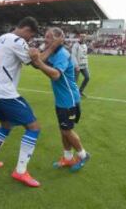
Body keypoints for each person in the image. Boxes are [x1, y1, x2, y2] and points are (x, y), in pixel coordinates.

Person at [0, 17, 61, 188]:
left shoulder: (2, 38)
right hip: (5, 94)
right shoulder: (17, 40)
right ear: (26, 29)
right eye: (30, 36)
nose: (29, 40)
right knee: (34, 127)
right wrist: (53, 46)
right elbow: (37, 63)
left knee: (6, 126)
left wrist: (39, 51)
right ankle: (21, 171)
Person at [29, 27, 90, 172]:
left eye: (49, 37)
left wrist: (39, 62)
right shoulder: (53, 52)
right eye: (45, 36)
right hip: (61, 100)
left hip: (69, 100)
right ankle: (68, 158)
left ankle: (83, 154)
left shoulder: (62, 53)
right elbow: (37, 63)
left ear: (57, 39)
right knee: (63, 130)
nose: (45, 39)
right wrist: (38, 59)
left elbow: (55, 75)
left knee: (67, 130)